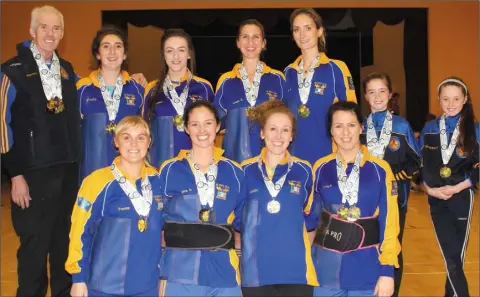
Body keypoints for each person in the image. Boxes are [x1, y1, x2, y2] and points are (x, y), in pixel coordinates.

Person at [0, 6, 81, 297]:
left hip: (67, 171)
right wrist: (16, 174)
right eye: (44, 27)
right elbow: (2, 127)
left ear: (62, 33)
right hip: (32, 175)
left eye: (56, 28)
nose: (50, 33)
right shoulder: (12, 71)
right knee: (34, 246)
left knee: (63, 243)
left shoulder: (68, 70)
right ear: (32, 31)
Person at [65, 116, 164, 297]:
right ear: (116, 141)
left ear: (149, 142)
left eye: (141, 137)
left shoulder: (158, 180)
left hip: (148, 286)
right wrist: (78, 278)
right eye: (126, 137)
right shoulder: (96, 182)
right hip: (105, 288)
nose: (134, 143)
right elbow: (79, 232)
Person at [311, 101, 400, 297]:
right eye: (338, 126)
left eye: (351, 125)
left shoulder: (380, 169)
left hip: (367, 271)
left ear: (361, 127)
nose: (345, 132)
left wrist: (387, 271)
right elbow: (310, 219)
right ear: (331, 131)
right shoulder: (320, 168)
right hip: (326, 272)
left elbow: (390, 222)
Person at [158, 100, 244, 297]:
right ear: (186, 128)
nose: (202, 130)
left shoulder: (234, 172)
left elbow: (243, 220)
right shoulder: (169, 170)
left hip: (224, 273)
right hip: (179, 273)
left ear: (218, 126)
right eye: (195, 124)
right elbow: (156, 218)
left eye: (208, 123)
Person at [240, 100, 318, 297]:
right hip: (255, 273)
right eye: (272, 129)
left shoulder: (304, 170)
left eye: (285, 130)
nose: (278, 136)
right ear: (262, 133)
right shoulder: (244, 171)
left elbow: (310, 220)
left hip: (296, 273)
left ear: (291, 136)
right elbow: (237, 219)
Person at [359, 72, 421, 296]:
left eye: (382, 91)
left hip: (396, 199)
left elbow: (417, 162)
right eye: (372, 92)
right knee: (367, 246)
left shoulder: (402, 126)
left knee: (392, 247)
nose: (377, 97)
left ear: (389, 94)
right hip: (365, 200)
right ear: (365, 96)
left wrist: (393, 177)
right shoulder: (359, 128)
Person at [420, 77, 479, 297]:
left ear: (465, 99)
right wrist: (429, 189)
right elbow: (421, 164)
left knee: (455, 256)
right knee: (450, 254)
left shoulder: (474, 130)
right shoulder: (429, 129)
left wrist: (458, 187)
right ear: (439, 99)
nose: (451, 103)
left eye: (456, 98)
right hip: (436, 198)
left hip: (461, 196)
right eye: (445, 99)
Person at [284, 8, 357, 166]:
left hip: (329, 158)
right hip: (293, 159)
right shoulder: (288, 72)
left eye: (308, 28)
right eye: (297, 29)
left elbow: (352, 115)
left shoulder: (336, 68)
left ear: (319, 31)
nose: (302, 35)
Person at [77, 25, 146, 181]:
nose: (112, 52)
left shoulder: (138, 90)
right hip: (92, 173)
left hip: (129, 172)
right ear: (98, 54)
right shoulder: (82, 89)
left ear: (125, 54)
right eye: (106, 46)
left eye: (118, 46)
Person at [214, 19, 286, 163]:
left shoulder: (277, 79)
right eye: (245, 37)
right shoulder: (226, 81)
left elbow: (286, 122)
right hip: (234, 162)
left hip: (270, 163)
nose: (250, 42)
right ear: (238, 43)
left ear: (264, 43)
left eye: (256, 37)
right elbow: (215, 124)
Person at [144, 28, 214, 168]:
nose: (175, 56)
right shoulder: (152, 90)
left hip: (196, 168)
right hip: (160, 167)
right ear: (163, 55)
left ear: (189, 54)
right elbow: (145, 130)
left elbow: (213, 128)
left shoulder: (204, 88)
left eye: (181, 50)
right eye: (170, 51)